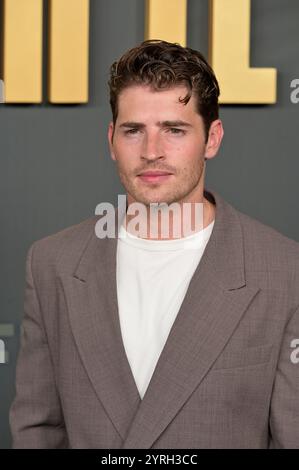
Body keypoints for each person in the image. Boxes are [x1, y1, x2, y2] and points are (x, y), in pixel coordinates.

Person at [9, 39, 299, 449]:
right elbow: (38, 429)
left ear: (212, 139)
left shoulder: (286, 271)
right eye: (133, 131)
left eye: (174, 130)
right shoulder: (52, 263)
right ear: (111, 139)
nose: (151, 152)